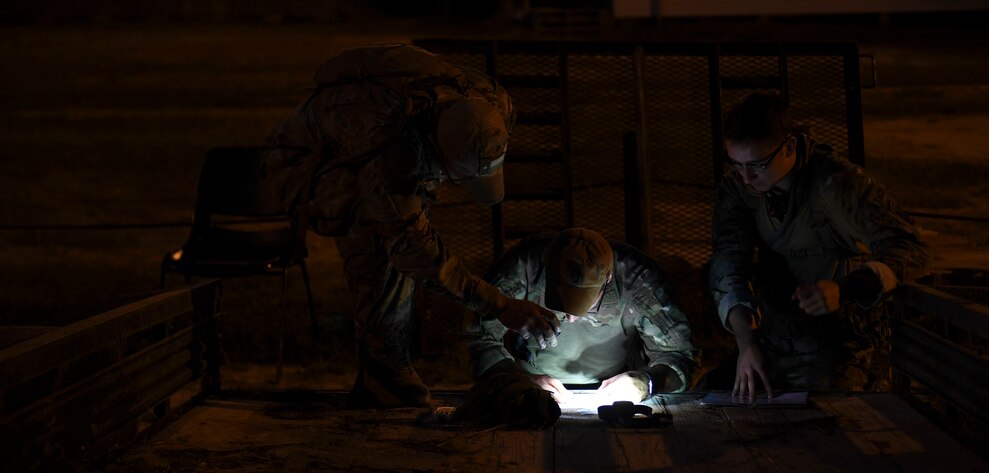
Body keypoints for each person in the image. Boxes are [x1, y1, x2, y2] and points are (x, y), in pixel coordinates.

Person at [260, 43, 561, 409]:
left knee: (399, 224)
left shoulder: (491, 103)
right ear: (434, 143)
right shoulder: (388, 140)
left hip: (380, 151)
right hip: (303, 166)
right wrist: (497, 304)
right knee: (381, 234)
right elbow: (413, 246)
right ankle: (384, 369)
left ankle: (388, 362)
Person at [707, 91, 930, 398]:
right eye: (736, 165)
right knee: (706, 403)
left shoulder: (838, 185)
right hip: (770, 344)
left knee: (824, 423)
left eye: (757, 165)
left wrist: (846, 288)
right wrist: (747, 344)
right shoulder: (738, 190)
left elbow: (909, 247)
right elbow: (729, 260)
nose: (745, 177)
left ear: (789, 146)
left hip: (841, 347)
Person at [467, 228, 700, 406]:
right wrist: (514, 380)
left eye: (584, 303)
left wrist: (646, 382)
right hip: (528, 388)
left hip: (614, 389)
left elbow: (681, 358)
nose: (570, 319)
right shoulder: (523, 267)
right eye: (559, 303)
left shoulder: (638, 281)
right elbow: (475, 334)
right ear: (547, 267)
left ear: (608, 278)